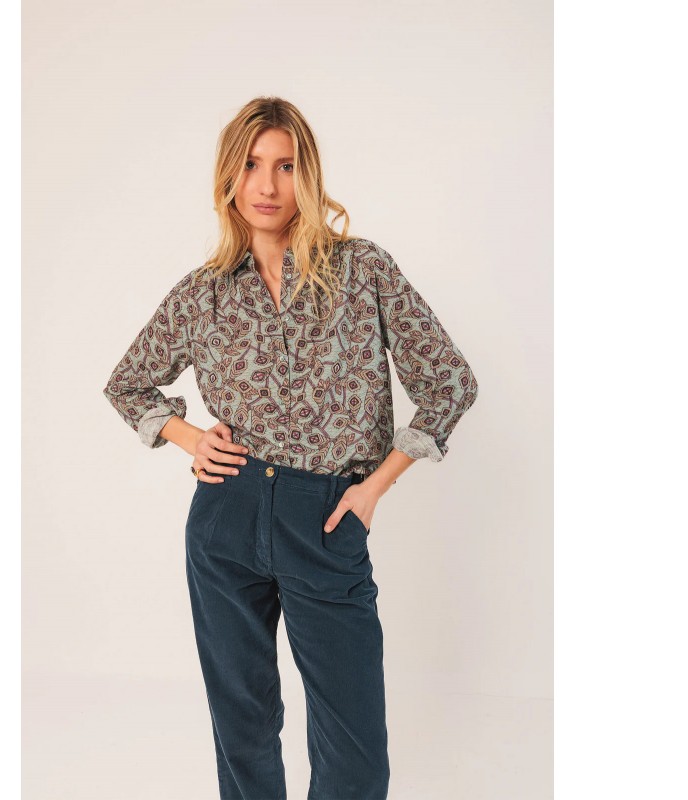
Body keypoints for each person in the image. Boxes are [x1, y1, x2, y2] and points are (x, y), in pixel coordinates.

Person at [103, 96, 479, 800]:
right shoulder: (203, 293)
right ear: (229, 177)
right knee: (243, 727)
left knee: (355, 752)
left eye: (285, 166)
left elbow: (451, 383)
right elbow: (127, 384)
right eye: (251, 165)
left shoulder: (362, 271)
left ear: (307, 176)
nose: (267, 185)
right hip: (228, 513)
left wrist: (374, 486)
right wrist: (190, 437)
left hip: (327, 517)